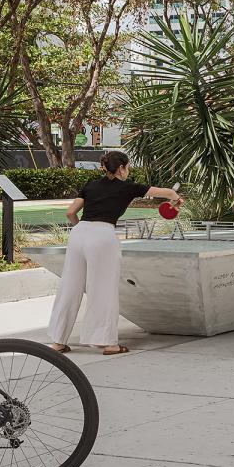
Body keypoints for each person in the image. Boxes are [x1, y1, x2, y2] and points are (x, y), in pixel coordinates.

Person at [46, 150, 181, 356]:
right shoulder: (128, 187)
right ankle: (108, 343)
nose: (128, 171)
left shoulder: (90, 185)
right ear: (121, 168)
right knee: (103, 289)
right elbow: (169, 193)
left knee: (69, 287)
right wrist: (175, 201)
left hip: (79, 234)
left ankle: (57, 342)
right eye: (128, 167)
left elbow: (70, 213)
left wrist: (82, 229)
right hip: (103, 235)